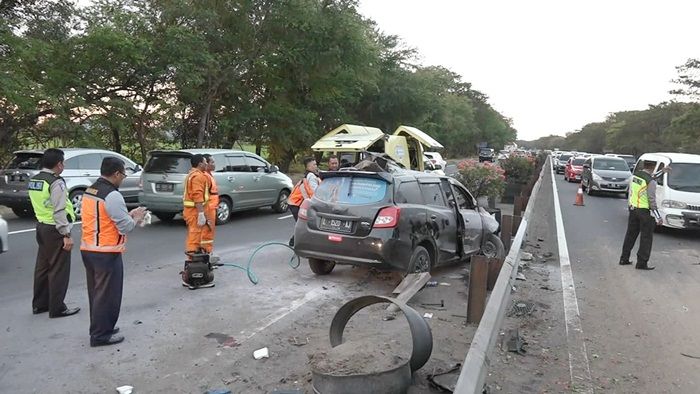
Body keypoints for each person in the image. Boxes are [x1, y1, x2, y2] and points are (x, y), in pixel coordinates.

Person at [81, 157, 147, 346]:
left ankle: (102, 327)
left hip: (89, 248)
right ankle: (101, 335)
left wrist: (129, 214)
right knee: (107, 295)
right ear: (117, 173)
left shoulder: (91, 189)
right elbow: (125, 227)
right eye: (124, 174)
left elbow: (105, 217)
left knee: (96, 293)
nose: (123, 178)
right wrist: (136, 218)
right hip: (106, 252)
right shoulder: (112, 195)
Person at [27, 148, 80, 318]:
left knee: (42, 267)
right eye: (63, 163)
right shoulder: (56, 182)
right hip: (55, 229)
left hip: (41, 227)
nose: (63, 166)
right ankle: (57, 308)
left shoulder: (35, 180)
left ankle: (39, 304)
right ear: (59, 164)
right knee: (59, 269)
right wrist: (66, 235)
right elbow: (59, 210)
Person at [619, 160, 664, 270]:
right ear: (653, 168)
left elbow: (650, 176)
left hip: (633, 209)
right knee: (646, 238)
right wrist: (658, 217)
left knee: (630, 235)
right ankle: (642, 263)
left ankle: (624, 258)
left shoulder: (636, 175)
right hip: (644, 212)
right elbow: (651, 200)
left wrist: (662, 171)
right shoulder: (651, 182)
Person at [182, 154, 212, 258]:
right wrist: (200, 213)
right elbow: (197, 196)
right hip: (194, 212)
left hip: (192, 211)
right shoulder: (198, 176)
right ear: (200, 164)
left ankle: (196, 259)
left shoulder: (192, 174)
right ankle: (192, 260)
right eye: (205, 162)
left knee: (196, 235)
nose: (206, 164)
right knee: (194, 237)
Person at [287, 157, 321, 245]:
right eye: (314, 164)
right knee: (303, 225)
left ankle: (296, 242)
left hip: (295, 203)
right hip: (296, 203)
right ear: (308, 167)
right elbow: (314, 191)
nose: (316, 166)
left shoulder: (309, 175)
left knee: (303, 224)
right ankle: (294, 242)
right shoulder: (311, 176)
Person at [201, 154, 218, 258]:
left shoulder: (209, 175)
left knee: (208, 232)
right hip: (208, 208)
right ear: (206, 164)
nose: (214, 164)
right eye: (212, 162)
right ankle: (206, 254)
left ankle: (207, 253)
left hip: (211, 207)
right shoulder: (206, 177)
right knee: (207, 233)